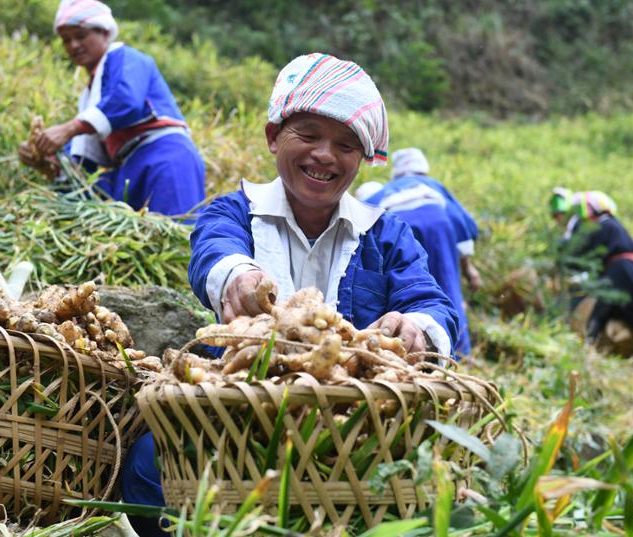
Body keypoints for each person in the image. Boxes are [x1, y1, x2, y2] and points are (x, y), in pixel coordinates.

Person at [120, 54, 459, 534]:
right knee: (149, 461)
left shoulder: (387, 235)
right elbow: (214, 252)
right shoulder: (233, 212)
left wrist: (417, 327)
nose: (325, 155)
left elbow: (431, 303)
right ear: (274, 137)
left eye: (345, 145)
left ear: (363, 159)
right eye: (309, 135)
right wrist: (238, 277)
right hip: (236, 421)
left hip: (349, 435)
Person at [18, 0, 205, 215]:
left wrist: (68, 129)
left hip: (164, 157)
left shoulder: (127, 58)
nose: (73, 45)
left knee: (178, 225)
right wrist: (46, 160)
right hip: (129, 168)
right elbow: (83, 167)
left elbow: (125, 100)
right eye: (66, 40)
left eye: (80, 36)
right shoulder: (90, 97)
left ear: (105, 33)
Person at [355, 147, 481, 357]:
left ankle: (406, 345)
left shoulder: (386, 190)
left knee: (408, 287)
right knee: (446, 288)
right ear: (423, 168)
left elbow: (360, 214)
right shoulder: (433, 185)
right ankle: (458, 351)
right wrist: (468, 267)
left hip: (399, 229)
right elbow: (463, 222)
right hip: (439, 228)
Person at [549, 188, 633, 371]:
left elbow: (579, 251)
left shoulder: (604, 225)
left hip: (619, 271)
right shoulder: (614, 226)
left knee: (599, 312)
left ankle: (586, 351)